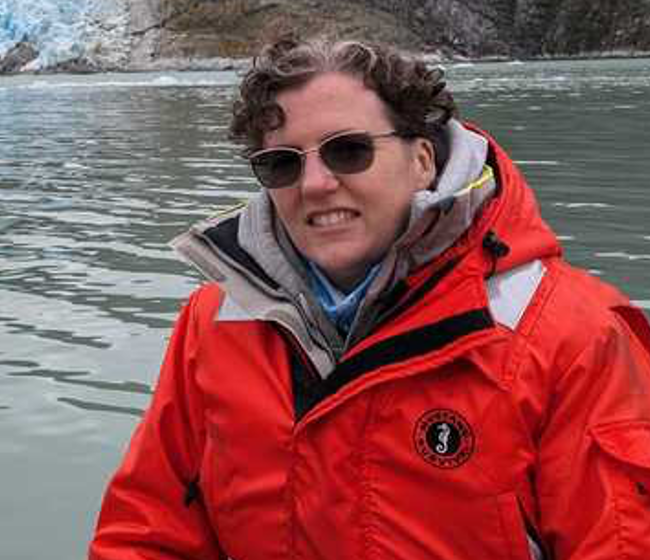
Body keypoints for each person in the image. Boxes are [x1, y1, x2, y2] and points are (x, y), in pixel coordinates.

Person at [89, 36, 650, 560]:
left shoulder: (570, 336)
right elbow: (148, 530)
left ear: (423, 160)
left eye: (348, 151)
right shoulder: (215, 322)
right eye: (282, 163)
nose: (314, 184)